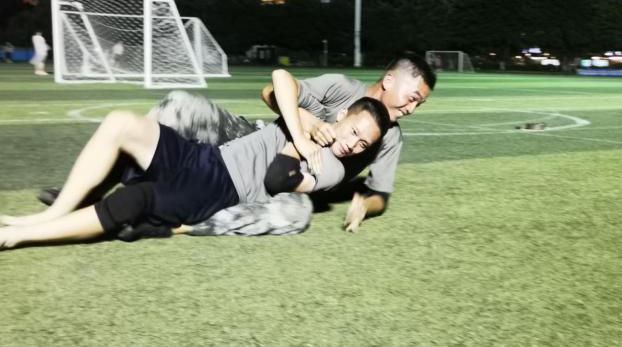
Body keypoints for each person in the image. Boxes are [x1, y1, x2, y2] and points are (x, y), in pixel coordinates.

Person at [38, 52, 436, 237]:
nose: (412, 107)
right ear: (389, 80)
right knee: (180, 104)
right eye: (413, 97)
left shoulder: (391, 138)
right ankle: (92, 190)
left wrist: (364, 205)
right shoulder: (340, 88)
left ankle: (177, 223)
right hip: (256, 136)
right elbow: (271, 91)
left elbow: (380, 194)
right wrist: (307, 124)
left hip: (290, 177)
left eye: (419, 103)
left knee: (295, 216)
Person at [0, 78, 390, 250]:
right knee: (122, 123)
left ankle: (19, 234)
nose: (352, 144)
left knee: (136, 200)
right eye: (354, 131)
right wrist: (307, 121)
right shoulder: (323, 121)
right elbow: (278, 80)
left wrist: (299, 142)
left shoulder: (334, 166)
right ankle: (56, 212)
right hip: (206, 156)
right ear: (342, 116)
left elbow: (278, 178)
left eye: (363, 144)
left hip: (218, 187)